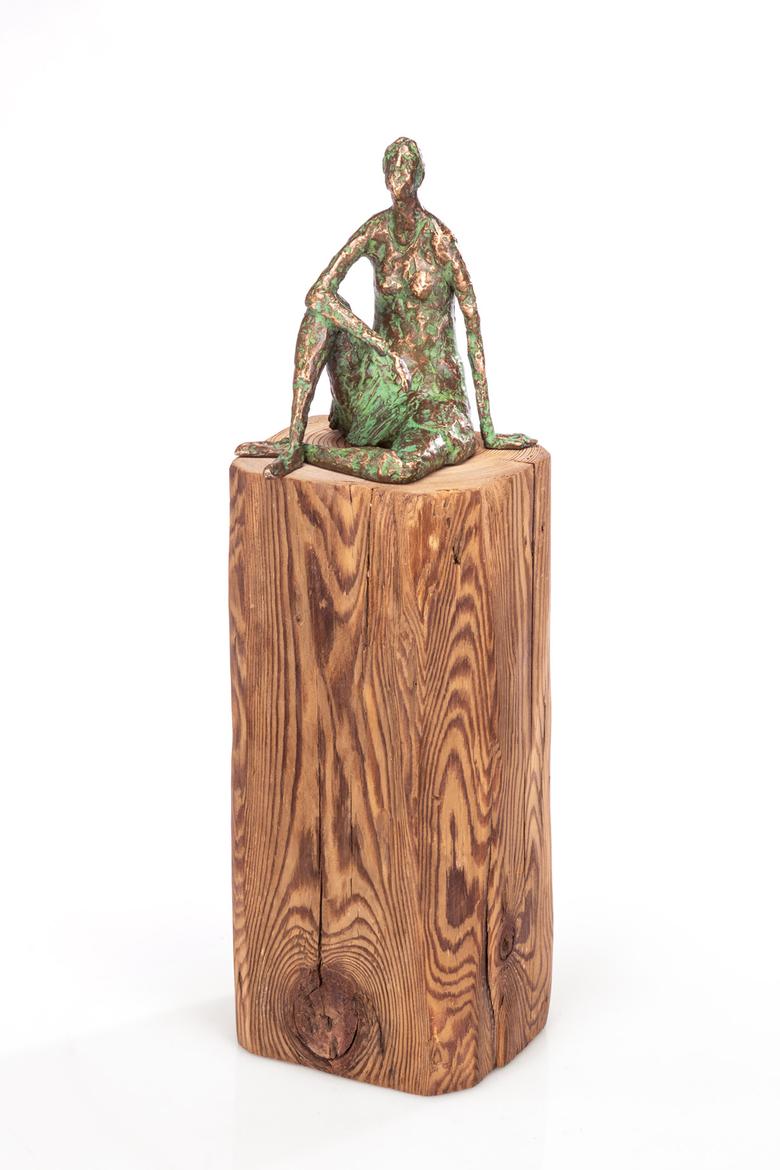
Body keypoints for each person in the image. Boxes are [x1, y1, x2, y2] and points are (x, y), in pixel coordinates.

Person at [236, 137, 535, 483]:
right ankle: (294, 438)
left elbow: (473, 330)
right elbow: (318, 293)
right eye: (392, 167)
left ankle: (308, 452)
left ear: (419, 175)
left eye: (406, 166)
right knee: (320, 317)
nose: (398, 175)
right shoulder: (377, 230)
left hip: (434, 401)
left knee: (402, 468)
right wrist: (379, 345)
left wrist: (489, 430)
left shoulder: (439, 242)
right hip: (382, 386)